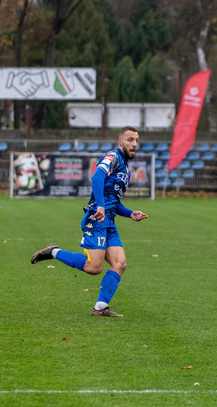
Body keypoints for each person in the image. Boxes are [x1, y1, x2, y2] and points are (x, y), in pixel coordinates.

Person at [30, 126, 147, 316]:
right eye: (130, 140)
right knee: (94, 268)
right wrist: (99, 205)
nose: (134, 144)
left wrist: (130, 213)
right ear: (120, 142)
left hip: (109, 221)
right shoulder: (113, 157)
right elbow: (97, 177)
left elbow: (113, 202)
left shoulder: (126, 170)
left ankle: (100, 308)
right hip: (96, 217)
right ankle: (54, 252)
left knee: (120, 265)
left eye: (137, 140)